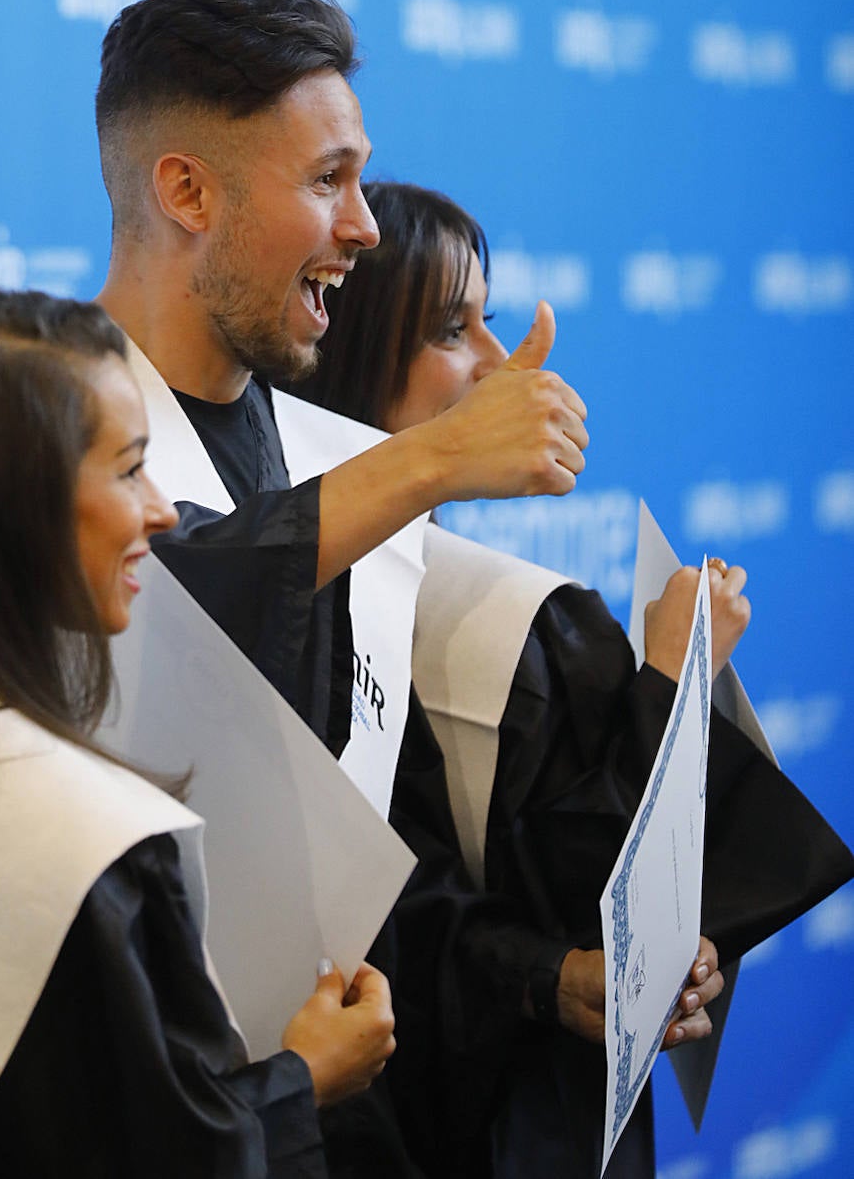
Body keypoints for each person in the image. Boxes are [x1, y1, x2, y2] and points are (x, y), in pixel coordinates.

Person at [90, 0, 725, 1178]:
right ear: (185, 189)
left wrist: (554, 979)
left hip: (334, 1119)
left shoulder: (330, 460)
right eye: (327, 180)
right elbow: (142, 652)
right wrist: (428, 460)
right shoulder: (22, 423)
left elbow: (390, 862)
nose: (364, 227)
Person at [289, 178, 854, 1177]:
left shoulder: (378, 589)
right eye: (451, 329)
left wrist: (566, 977)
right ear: (349, 349)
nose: (501, 366)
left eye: (489, 320)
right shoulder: (457, 617)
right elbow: (578, 891)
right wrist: (675, 679)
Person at [0, 286, 397, 1179]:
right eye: (129, 470)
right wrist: (300, 1082)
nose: (162, 513)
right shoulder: (87, 843)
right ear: (11, 504)